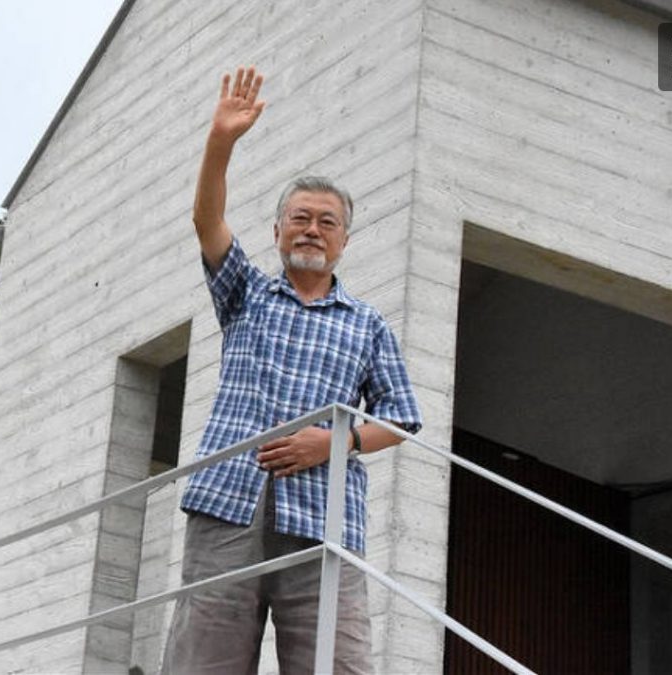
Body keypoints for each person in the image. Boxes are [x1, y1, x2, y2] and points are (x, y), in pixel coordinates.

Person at [161, 67, 422, 674]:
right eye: (300, 218)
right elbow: (207, 221)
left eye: (326, 222)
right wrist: (221, 140)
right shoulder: (246, 293)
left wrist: (333, 443)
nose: (312, 229)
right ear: (277, 232)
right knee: (204, 663)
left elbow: (402, 419)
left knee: (338, 665)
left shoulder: (368, 323)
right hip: (229, 502)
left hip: (324, 514)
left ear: (344, 242)